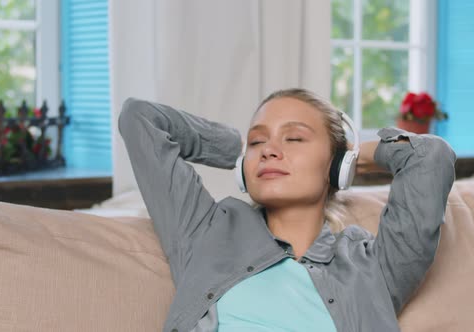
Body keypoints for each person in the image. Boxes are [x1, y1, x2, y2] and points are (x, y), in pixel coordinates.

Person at [118, 88, 456, 332]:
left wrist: (353, 157)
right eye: (258, 142)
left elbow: (430, 157)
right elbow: (140, 119)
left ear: (335, 163)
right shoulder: (205, 232)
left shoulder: (372, 268)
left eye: (294, 139)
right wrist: (234, 149)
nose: (269, 151)